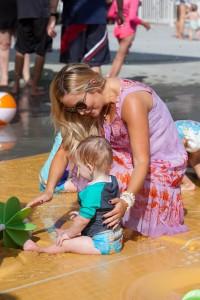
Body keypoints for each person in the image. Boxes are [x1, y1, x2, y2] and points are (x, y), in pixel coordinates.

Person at [28, 63, 188, 238]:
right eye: (74, 109)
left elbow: (142, 161)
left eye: (81, 105)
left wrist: (126, 201)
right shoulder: (95, 105)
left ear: (94, 84)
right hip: (126, 158)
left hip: (158, 165)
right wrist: (49, 189)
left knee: (99, 183)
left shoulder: (131, 101)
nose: (81, 113)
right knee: (89, 166)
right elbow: (63, 151)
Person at [24, 136, 123, 255]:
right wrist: (80, 214)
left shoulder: (92, 191)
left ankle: (40, 250)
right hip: (115, 236)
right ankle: (69, 234)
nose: (78, 171)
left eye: (79, 167)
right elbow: (103, 206)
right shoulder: (112, 181)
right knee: (72, 232)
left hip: (101, 243)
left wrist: (68, 234)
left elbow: (82, 221)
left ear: (90, 168)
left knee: (64, 243)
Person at [13, 0, 52, 95]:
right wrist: (53, 13)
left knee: (20, 49)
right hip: (41, 11)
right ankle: (34, 88)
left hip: (23, 11)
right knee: (41, 50)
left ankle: (16, 85)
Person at [107, 0, 151, 77]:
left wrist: (120, 15)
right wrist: (144, 24)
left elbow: (110, 14)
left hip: (118, 28)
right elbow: (132, 18)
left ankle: (110, 75)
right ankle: (111, 78)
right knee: (120, 56)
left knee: (121, 54)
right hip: (128, 30)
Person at [175, 120, 200, 191]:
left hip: (186, 136)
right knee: (196, 162)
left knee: (172, 163)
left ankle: (188, 184)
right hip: (196, 132)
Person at [0, 0, 17, 87]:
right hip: (4, 6)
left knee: (23, 45)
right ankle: (4, 78)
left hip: (21, 6)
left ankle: (27, 76)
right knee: (4, 45)